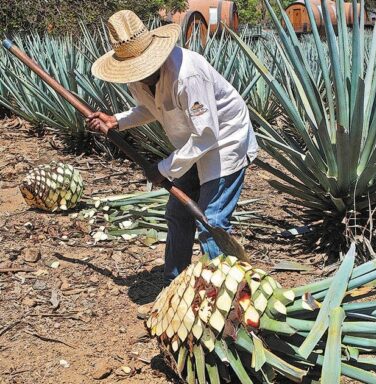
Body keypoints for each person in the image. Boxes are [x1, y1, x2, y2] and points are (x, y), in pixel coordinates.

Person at [86, 10, 258, 284]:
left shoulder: (188, 74)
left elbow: (207, 136)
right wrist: (116, 120)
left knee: (211, 220)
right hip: (191, 145)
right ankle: (174, 283)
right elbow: (150, 108)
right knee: (178, 212)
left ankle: (224, 295)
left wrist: (164, 169)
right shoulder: (139, 76)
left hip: (224, 140)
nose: (139, 76)